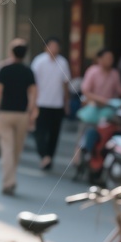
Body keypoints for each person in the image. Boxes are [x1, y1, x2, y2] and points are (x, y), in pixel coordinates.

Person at [0, 39, 37, 196]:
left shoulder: (4, 70)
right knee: (17, 149)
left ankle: (8, 181)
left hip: (5, 114)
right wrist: (31, 111)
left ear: (11, 52)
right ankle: (10, 180)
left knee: (7, 148)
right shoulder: (28, 71)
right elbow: (33, 94)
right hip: (22, 114)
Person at [31, 37, 70, 170]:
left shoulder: (63, 62)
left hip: (57, 104)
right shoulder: (39, 61)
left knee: (54, 133)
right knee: (40, 132)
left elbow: (66, 84)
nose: (53, 49)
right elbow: (33, 84)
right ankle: (44, 155)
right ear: (45, 47)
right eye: (51, 46)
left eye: (56, 46)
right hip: (41, 103)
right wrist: (32, 103)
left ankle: (49, 157)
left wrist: (66, 103)